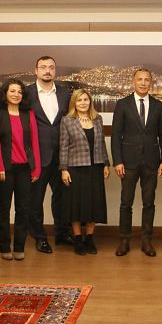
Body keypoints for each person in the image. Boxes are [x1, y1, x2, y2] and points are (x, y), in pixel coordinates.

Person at [111, 69, 162, 257]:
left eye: (147, 80)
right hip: (128, 162)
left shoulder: (158, 106)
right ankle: (124, 240)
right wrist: (117, 161)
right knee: (125, 203)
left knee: (149, 203)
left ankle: (146, 241)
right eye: (140, 80)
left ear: (151, 82)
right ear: (133, 82)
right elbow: (115, 135)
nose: (143, 83)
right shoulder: (122, 104)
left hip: (152, 162)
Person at [26, 55, 73, 253]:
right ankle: (39, 237)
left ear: (55, 70)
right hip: (37, 156)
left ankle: (62, 233)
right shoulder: (26, 93)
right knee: (35, 200)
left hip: (62, 156)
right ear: (36, 71)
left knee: (62, 198)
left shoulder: (65, 93)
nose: (47, 70)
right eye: (43, 67)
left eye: (51, 67)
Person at [0, 79, 41, 261]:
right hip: (4, 169)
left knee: (23, 209)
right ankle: (4, 247)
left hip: (25, 169)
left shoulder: (29, 114)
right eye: (12, 91)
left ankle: (19, 247)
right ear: (5, 93)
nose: (16, 94)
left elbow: (34, 142)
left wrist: (36, 169)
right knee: (3, 208)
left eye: (19, 92)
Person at [60, 89, 110, 255]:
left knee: (93, 204)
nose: (83, 103)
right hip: (75, 168)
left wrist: (106, 164)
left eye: (86, 100)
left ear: (90, 102)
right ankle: (78, 239)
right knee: (76, 206)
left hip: (95, 167)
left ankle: (89, 239)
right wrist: (64, 169)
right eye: (79, 100)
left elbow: (102, 143)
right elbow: (63, 147)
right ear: (74, 103)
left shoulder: (97, 119)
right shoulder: (67, 121)